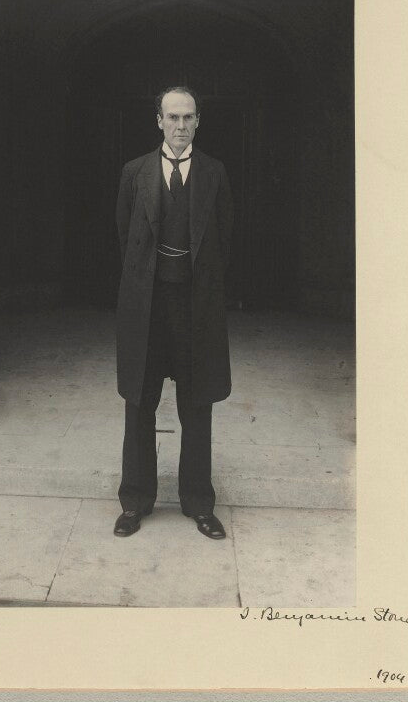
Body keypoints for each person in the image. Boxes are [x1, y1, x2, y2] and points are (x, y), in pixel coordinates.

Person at [114, 86, 233, 539]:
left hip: (195, 309)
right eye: (172, 117)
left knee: (197, 406)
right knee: (139, 404)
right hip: (146, 308)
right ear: (159, 120)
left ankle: (199, 503)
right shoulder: (134, 172)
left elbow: (224, 238)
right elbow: (125, 238)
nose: (180, 126)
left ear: (198, 121)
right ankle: (135, 502)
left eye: (188, 117)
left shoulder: (215, 173)